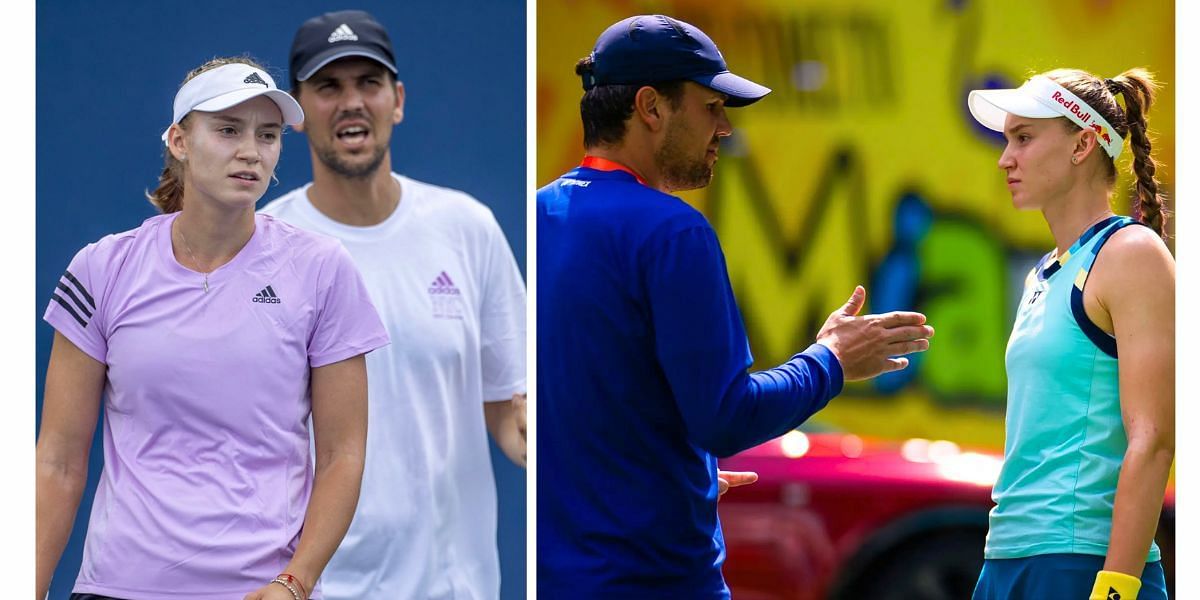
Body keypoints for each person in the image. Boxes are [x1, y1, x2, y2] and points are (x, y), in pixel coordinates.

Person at [536, 14, 935, 598]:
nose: (724, 128)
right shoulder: (673, 231)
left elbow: (568, 410)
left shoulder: (536, 216)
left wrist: (676, 473)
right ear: (651, 107)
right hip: (657, 581)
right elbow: (726, 417)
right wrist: (831, 361)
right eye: (711, 106)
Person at [35, 57, 389, 600]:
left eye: (268, 135)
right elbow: (58, 460)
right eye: (228, 130)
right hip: (119, 587)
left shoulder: (322, 269)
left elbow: (343, 454)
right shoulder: (101, 269)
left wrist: (294, 583)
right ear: (179, 141)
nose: (251, 151)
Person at [259, 10, 528, 599]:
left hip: (457, 587)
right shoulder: (260, 249)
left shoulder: (467, 228)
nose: (351, 102)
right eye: (329, 87)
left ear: (397, 100)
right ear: (298, 115)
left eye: (369, 84)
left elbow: (514, 413)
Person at [966, 68, 1174, 600]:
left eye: (1024, 138)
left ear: (1083, 144)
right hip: (1008, 558)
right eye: (1007, 139)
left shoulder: (1132, 254)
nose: (1004, 158)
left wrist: (1118, 588)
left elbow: (1153, 440)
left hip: (1081, 567)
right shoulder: (1048, 270)